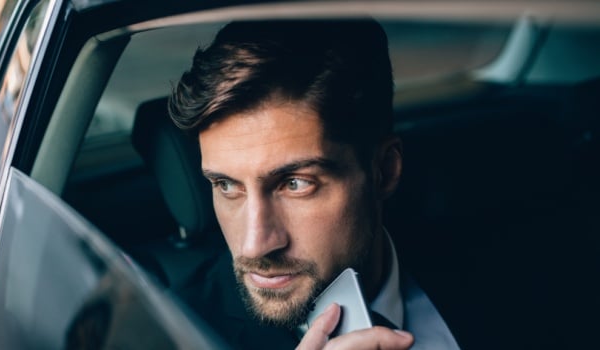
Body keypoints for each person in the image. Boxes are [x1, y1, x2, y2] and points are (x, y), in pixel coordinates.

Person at [167, 19, 459, 349]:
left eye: (294, 184)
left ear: (384, 171)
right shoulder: (171, 334)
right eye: (226, 185)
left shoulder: (500, 273)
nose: (254, 245)